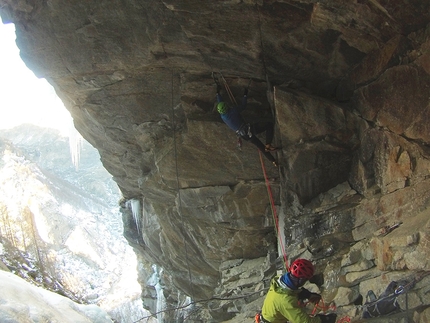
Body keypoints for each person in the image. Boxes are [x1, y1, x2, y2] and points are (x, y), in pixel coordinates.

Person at [257, 259, 337, 323]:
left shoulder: (279, 280)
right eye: (306, 280)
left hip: (270, 316)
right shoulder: (286, 301)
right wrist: (323, 319)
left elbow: (290, 291)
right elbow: (305, 321)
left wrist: (307, 295)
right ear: (301, 280)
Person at [216, 87, 279, 167]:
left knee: (260, 146)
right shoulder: (233, 111)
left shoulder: (223, 116)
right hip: (249, 130)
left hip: (244, 136)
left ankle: (273, 161)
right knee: (269, 125)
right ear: (227, 107)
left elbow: (220, 103)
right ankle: (268, 144)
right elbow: (243, 106)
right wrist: (245, 95)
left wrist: (218, 94)